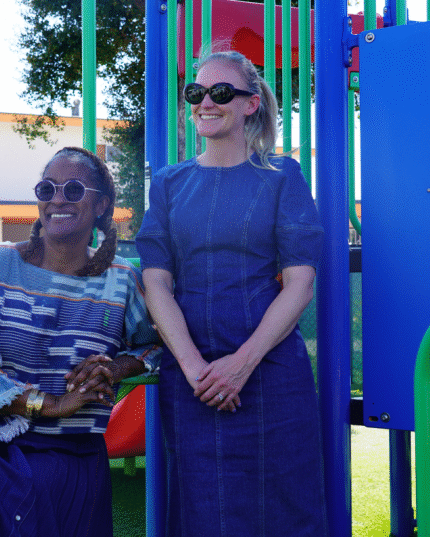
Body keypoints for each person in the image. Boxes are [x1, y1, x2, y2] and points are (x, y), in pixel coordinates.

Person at [0, 146, 160, 537]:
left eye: (74, 189)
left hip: (73, 447)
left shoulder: (120, 283)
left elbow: (161, 346)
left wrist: (117, 367)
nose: (57, 199)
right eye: (46, 189)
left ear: (101, 205)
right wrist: (50, 404)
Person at [135, 50, 328, 536]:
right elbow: (156, 282)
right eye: (195, 93)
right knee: (204, 512)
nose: (205, 102)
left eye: (221, 92)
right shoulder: (168, 185)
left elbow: (300, 282)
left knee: (288, 510)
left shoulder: (282, 177)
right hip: (193, 381)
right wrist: (197, 369)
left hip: (271, 378)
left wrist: (240, 364)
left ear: (249, 105)